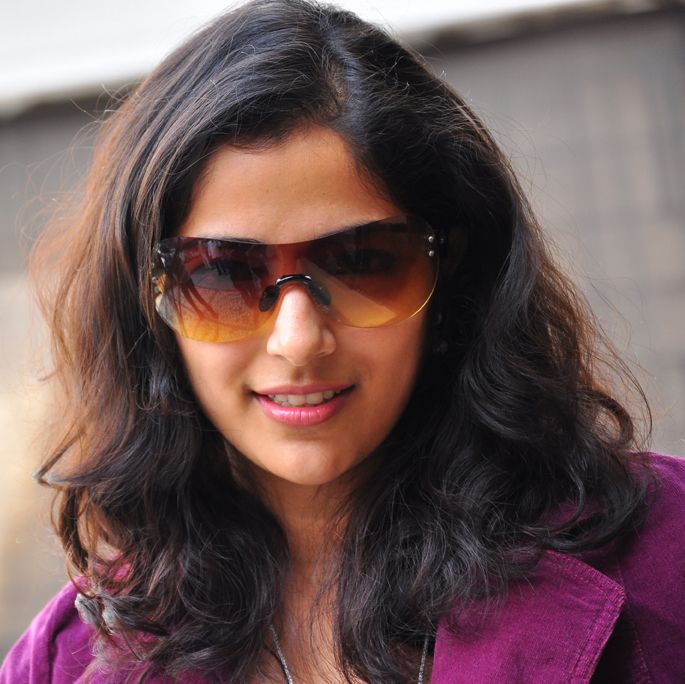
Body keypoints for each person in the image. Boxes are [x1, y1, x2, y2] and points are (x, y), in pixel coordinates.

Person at [2, 0, 684, 681]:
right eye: (222, 273)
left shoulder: (665, 558)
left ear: (453, 273)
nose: (298, 340)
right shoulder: (62, 662)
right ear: (146, 306)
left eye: (362, 262)